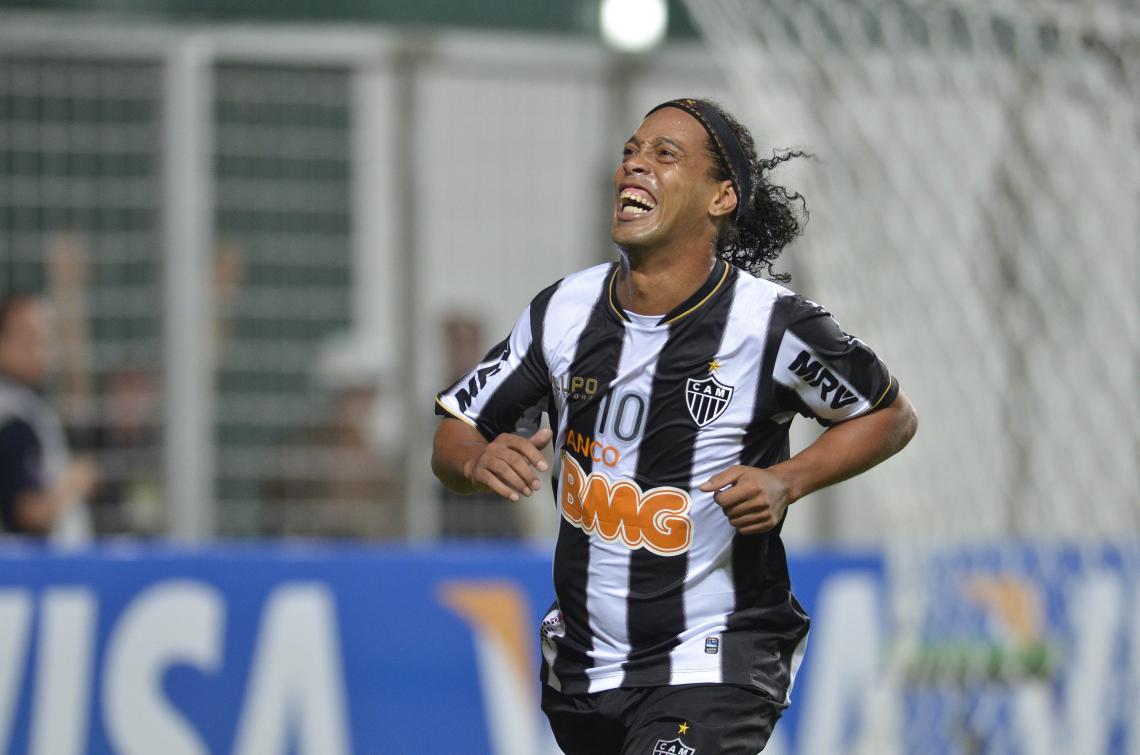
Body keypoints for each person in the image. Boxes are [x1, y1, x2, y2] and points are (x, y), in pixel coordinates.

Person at [431, 98, 918, 754]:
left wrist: (787, 481)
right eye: (632, 149)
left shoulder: (772, 325)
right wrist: (475, 459)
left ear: (721, 197)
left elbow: (889, 414)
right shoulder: (564, 310)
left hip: (713, 658)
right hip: (582, 669)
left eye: (665, 154)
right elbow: (455, 429)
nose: (635, 163)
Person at [0, 294, 97, 540]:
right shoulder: (11, 419)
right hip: (30, 572)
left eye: (47, 340)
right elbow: (29, 514)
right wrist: (74, 483)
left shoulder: (30, 405)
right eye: (30, 340)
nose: (42, 351)